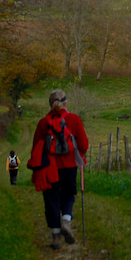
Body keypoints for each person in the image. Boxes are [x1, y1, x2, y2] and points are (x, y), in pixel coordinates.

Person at [27, 89, 89, 250]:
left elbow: (36, 147)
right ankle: (66, 221)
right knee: (68, 194)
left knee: (51, 198)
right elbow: (84, 145)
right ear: (66, 102)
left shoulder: (43, 123)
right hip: (69, 165)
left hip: (49, 167)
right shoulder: (74, 119)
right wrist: (79, 154)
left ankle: (55, 236)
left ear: (50, 103)